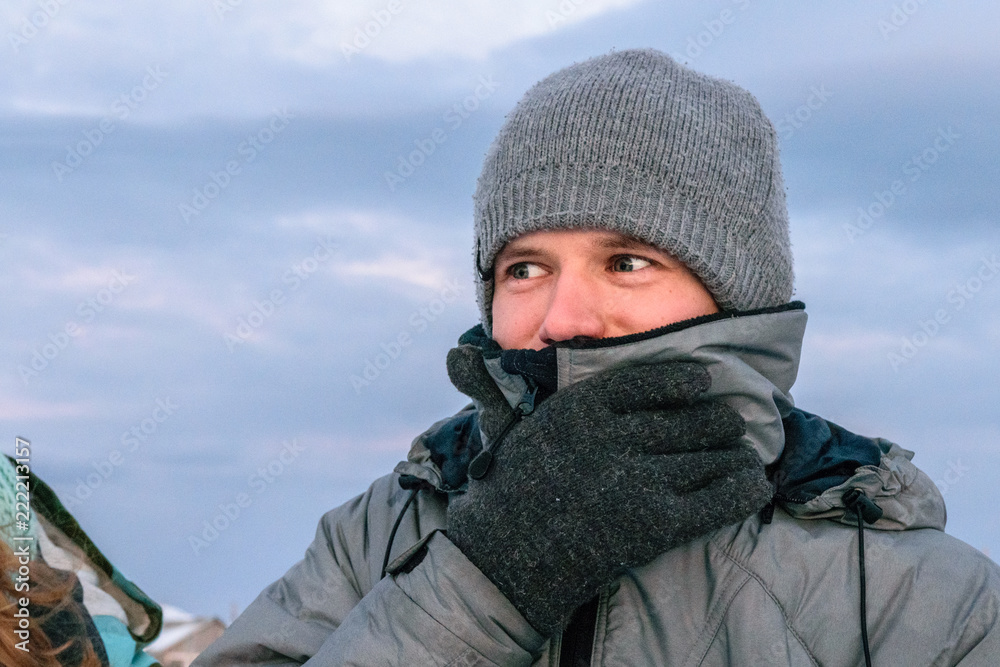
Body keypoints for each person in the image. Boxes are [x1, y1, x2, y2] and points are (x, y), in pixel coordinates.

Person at [195, 49, 1000, 666]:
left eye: (626, 261)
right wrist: (485, 581)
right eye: (525, 268)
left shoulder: (911, 594)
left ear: (738, 293)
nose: (562, 317)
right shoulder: (382, 530)